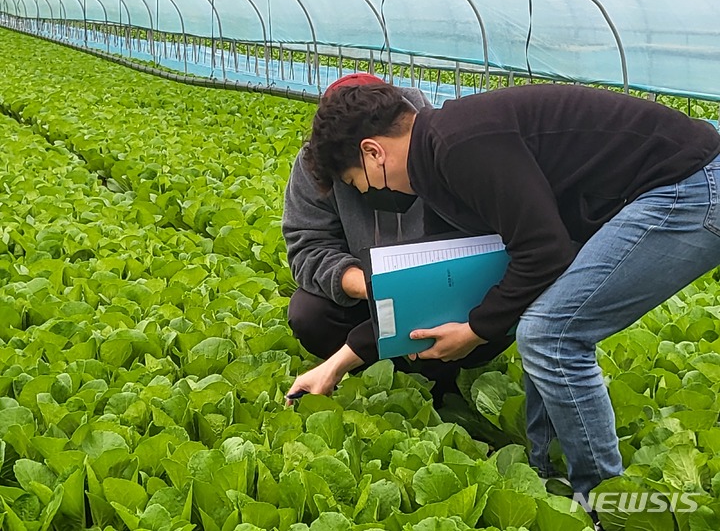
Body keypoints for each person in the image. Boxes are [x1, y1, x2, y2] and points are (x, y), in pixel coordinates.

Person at [300, 82, 720, 497]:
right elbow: (429, 283)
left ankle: (603, 504)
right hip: (663, 189)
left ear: (373, 153)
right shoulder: (438, 163)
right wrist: (336, 364)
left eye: (361, 185)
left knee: (549, 333)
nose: (375, 194)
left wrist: (477, 329)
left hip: (688, 186)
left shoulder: (461, 145)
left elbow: (544, 251)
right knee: (542, 317)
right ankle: (545, 470)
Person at [282, 73, 512, 403]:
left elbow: (512, 251)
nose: (363, 188)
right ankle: (374, 366)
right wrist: (370, 286)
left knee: (496, 310)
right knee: (310, 313)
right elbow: (309, 246)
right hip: (368, 301)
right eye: (351, 182)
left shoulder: (439, 148)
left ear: (375, 150)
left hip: (444, 293)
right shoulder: (319, 163)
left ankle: (441, 371)